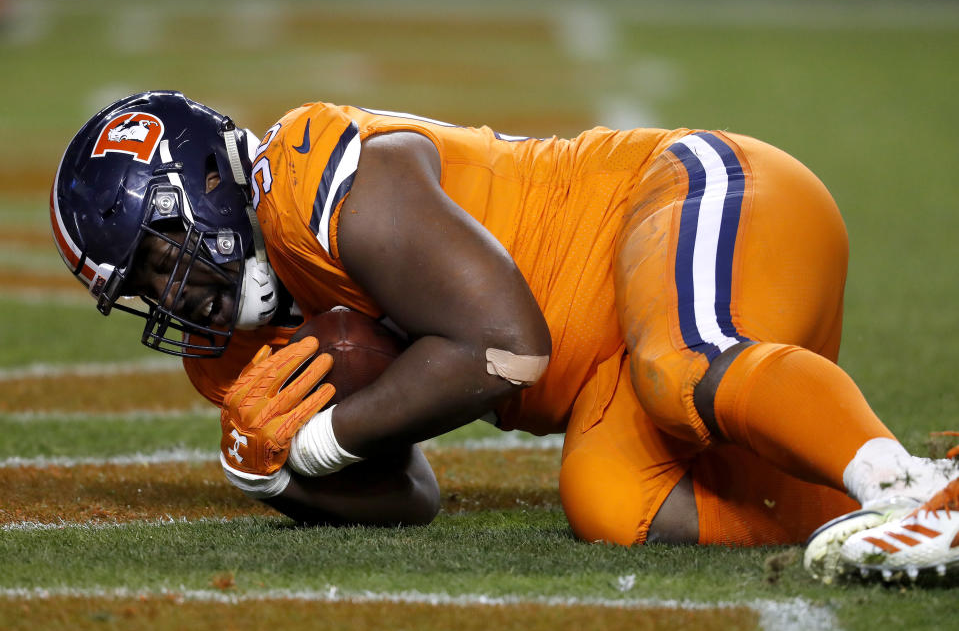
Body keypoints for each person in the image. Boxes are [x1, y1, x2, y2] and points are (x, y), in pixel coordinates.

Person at [50, 90, 959, 581]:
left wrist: (318, 443)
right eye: (140, 289)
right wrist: (276, 473)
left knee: (680, 364)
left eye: (160, 259)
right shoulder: (237, 360)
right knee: (611, 504)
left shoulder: (313, 184)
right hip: (605, 360)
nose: (169, 298)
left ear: (205, 182)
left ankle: (905, 483)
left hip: (692, 197)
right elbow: (407, 491)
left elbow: (507, 345)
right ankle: (901, 504)